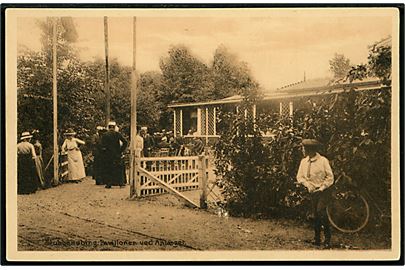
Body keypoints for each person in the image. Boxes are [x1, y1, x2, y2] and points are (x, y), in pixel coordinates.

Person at [296, 139, 334, 248]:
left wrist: (322, 188)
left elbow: (330, 177)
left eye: (304, 148)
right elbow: (300, 177)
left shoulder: (323, 161)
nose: (302, 150)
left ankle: (327, 239)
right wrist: (308, 185)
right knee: (316, 214)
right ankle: (317, 239)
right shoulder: (304, 162)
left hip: (324, 191)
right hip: (312, 192)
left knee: (321, 211)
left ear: (310, 150)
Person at [101, 121, 128, 188]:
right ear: (114, 127)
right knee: (119, 168)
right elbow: (125, 142)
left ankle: (109, 184)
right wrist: (121, 150)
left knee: (109, 169)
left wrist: (105, 151)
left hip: (108, 155)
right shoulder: (117, 134)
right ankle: (121, 183)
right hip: (117, 154)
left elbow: (102, 145)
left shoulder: (105, 135)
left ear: (109, 127)